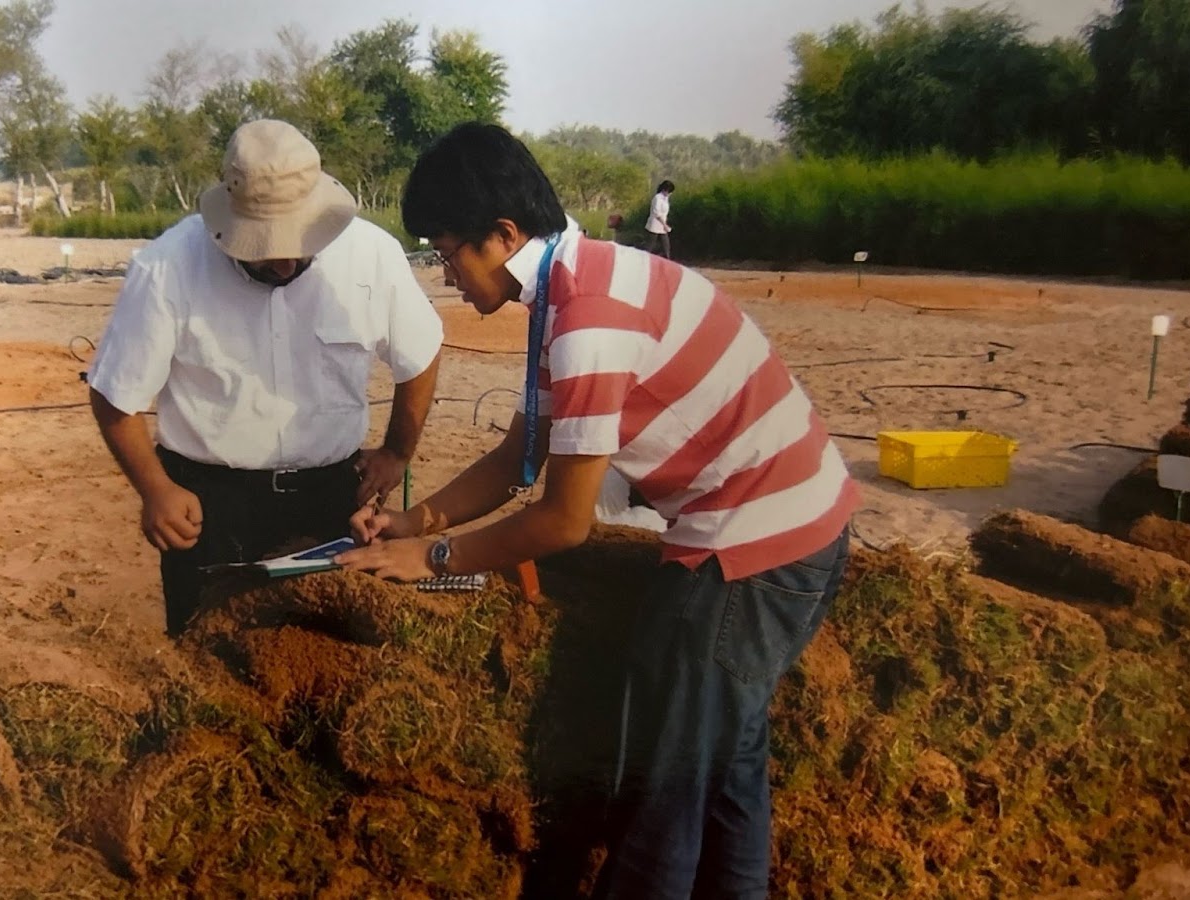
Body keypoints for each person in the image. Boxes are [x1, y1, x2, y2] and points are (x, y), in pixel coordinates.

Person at [336, 123, 856, 897]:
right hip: (786, 522)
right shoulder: (569, 288)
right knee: (725, 767)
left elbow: (563, 523)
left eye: (448, 253)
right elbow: (521, 455)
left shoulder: (589, 318)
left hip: (754, 547)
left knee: (662, 794)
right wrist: (418, 521)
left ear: (504, 235)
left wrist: (433, 560)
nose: (446, 276)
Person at [88, 119, 443, 637]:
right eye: (261, 249)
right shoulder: (168, 268)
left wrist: (397, 452)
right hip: (209, 508)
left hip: (331, 499)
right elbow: (113, 394)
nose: (282, 265)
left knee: (328, 656)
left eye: (298, 248)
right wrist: (156, 488)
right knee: (207, 659)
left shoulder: (372, 255)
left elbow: (422, 353)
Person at [645, 180, 674, 259]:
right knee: (650, 245)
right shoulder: (657, 198)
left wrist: (664, 225)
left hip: (662, 225)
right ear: (665, 190)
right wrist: (664, 225)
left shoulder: (665, 198)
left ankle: (667, 260)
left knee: (666, 245)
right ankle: (644, 259)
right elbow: (657, 213)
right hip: (655, 224)